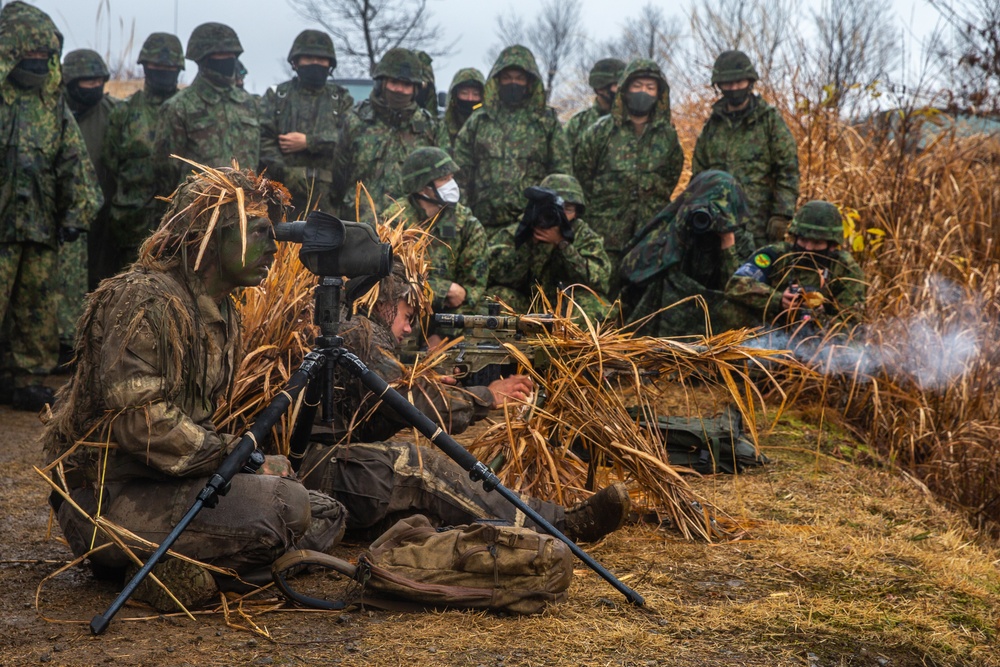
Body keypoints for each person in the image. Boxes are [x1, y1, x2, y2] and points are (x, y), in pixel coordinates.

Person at [42, 165, 347, 612]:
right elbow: (142, 424)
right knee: (286, 507)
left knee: (326, 513)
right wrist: (239, 457)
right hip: (108, 496)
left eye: (272, 234)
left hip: (172, 480)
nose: (273, 249)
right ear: (207, 237)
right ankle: (151, 569)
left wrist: (240, 465)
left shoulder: (224, 310)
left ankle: (195, 566)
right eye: (257, 232)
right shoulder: (146, 301)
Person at [296, 259, 631, 543]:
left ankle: (525, 533)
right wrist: (485, 396)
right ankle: (559, 524)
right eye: (407, 315)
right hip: (312, 471)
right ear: (384, 304)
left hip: (316, 471)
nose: (410, 329)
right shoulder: (360, 333)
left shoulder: (350, 332)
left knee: (426, 517)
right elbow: (410, 403)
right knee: (419, 466)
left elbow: (376, 414)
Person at [0, 1, 101, 411]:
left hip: (39, 226)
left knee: (36, 307)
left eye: (45, 55)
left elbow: (73, 159)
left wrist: (76, 212)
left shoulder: (51, 102)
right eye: (31, 54)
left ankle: (24, 379)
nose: (39, 62)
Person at [575, 58, 684, 298]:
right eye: (637, 86)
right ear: (624, 89)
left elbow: (670, 176)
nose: (643, 92)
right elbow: (582, 174)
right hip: (605, 234)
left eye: (650, 87)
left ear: (659, 94)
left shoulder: (667, 136)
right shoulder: (600, 131)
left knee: (641, 300)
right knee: (602, 297)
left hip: (649, 235)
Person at [619, 170, 756, 337]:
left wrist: (727, 243)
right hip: (670, 321)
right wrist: (677, 234)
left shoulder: (741, 239)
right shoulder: (682, 225)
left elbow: (738, 292)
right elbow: (633, 269)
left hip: (714, 327)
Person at [453, 45, 571, 234]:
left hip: (532, 226)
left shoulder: (545, 121)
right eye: (507, 78)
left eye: (519, 78)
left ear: (529, 82)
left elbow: (561, 170)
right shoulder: (479, 120)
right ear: (498, 81)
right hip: (483, 224)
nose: (513, 83)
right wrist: (464, 216)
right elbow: (461, 171)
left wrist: (551, 217)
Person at [691, 50, 799, 248]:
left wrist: (781, 214)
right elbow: (699, 176)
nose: (733, 88)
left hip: (759, 228)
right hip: (719, 229)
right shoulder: (712, 127)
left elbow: (788, 170)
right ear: (719, 85)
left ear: (750, 82)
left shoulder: (769, 121)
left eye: (739, 82)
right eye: (727, 83)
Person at [382, 147, 489, 343]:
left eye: (451, 177)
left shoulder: (465, 223)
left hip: (451, 323)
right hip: (403, 319)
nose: (452, 184)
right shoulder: (395, 221)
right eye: (444, 179)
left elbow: (473, 290)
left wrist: (443, 336)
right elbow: (388, 280)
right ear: (423, 187)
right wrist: (441, 289)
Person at [102, 32, 185, 275]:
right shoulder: (124, 112)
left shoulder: (187, 110)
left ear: (178, 69)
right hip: (131, 225)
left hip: (177, 227)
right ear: (145, 67)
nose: (163, 71)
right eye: (156, 66)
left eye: (169, 67)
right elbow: (110, 161)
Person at [488, 174, 612, 321]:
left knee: (592, 306)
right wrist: (527, 243)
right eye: (555, 208)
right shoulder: (519, 231)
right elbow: (490, 272)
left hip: (566, 307)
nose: (561, 215)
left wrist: (562, 244)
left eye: (568, 209)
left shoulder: (584, 235)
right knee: (494, 298)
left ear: (577, 212)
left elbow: (600, 279)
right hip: (526, 305)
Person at [725, 200, 866, 330]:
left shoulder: (846, 270)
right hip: (769, 334)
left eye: (817, 243)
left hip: (820, 343)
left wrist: (819, 317)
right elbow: (735, 284)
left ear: (832, 245)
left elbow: (853, 326)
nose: (808, 248)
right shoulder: (776, 254)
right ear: (795, 237)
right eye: (803, 240)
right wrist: (778, 300)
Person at [154, 22, 259, 192]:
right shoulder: (179, 107)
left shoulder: (249, 104)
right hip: (198, 211)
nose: (226, 58)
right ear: (202, 58)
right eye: (219, 54)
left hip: (247, 210)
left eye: (230, 53)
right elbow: (165, 173)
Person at [259, 30, 353, 215]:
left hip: (330, 200)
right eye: (308, 58)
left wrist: (309, 142)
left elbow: (349, 141)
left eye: (321, 59)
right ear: (296, 62)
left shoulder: (341, 99)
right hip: (282, 198)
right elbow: (263, 140)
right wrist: (284, 174)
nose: (315, 63)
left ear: (330, 64)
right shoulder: (277, 96)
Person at [337, 47, 437, 218]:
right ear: (382, 83)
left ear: (415, 89)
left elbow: (438, 181)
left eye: (406, 85)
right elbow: (339, 175)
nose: (399, 90)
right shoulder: (356, 122)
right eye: (394, 82)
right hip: (358, 225)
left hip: (408, 229)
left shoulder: (428, 128)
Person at [62, 49, 117, 294]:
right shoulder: (53, 111)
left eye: (99, 81)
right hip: (63, 220)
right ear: (72, 82)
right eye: (88, 81)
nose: (95, 86)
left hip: (103, 220)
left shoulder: (113, 112)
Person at [564, 57, 624, 159]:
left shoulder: (637, 121)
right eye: (617, 84)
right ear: (600, 88)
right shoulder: (577, 124)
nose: (622, 88)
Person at [436, 67, 484, 154]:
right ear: (454, 96)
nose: (470, 99)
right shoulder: (441, 127)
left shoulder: (489, 127)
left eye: (475, 94)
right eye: (464, 93)